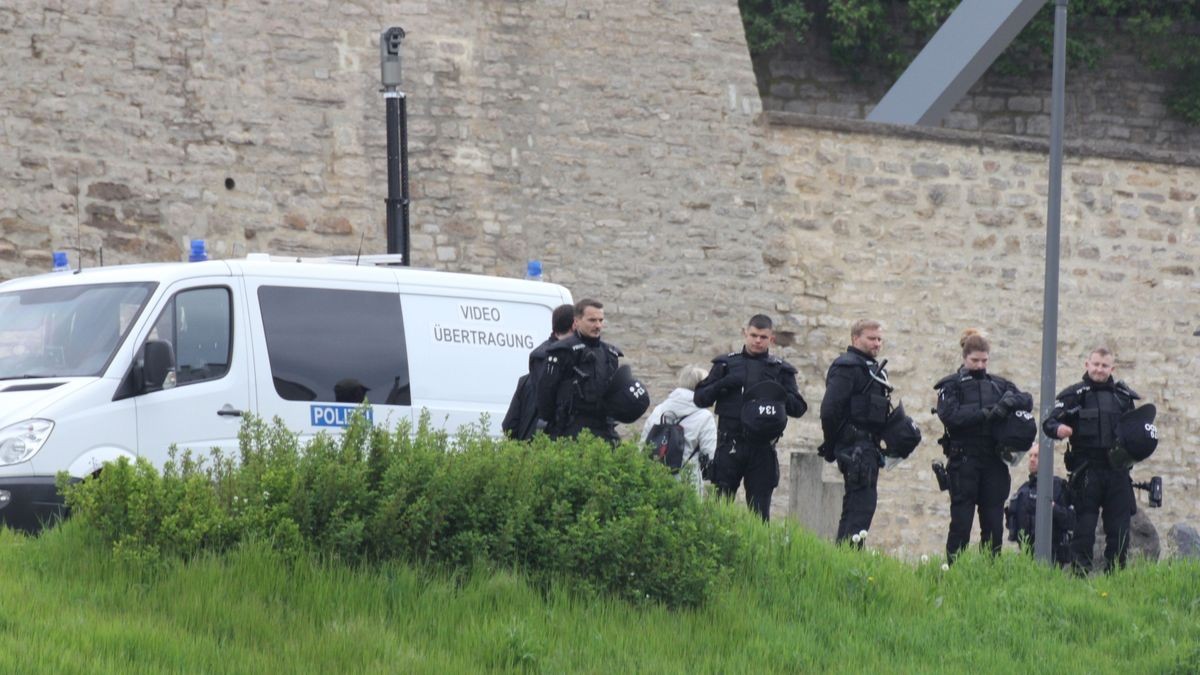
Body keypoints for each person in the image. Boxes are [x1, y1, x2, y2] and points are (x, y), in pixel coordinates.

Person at [693, 314, 807, 521]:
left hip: (763, 448)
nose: (757, 341)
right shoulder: (726, 364)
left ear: (771, 339)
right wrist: (723, 383)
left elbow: (799, 408)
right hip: (730, 445)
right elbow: (700, 399)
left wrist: (779, 392)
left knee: (759, 514)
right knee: (721, 509)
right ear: (745, 334)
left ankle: (757, 552)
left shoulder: (781, 370)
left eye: (763, 337)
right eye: (753, 335)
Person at [934, 329, 1033, 562]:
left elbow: (1026, 400)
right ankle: (953, 570)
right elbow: (951, 416)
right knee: (961, 525)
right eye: (974, 360)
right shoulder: (951, 385)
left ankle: (990, 572)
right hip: (964, 460)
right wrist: (986, 413)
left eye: (984, 360)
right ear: (964, 357)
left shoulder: (998, 385)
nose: (980, 365)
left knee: (994, 526)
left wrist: (1008, 403)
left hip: (993, 462)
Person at [1043, 346, 1140, 573]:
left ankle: (1116, 575)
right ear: (1087, 364)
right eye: (1095, 364)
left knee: (1120, 530)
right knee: (1084, 528)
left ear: (1112, 368)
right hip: (1086, 471)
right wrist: (1059, 429)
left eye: (1104, 365)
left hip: (1117, 472)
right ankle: (1080, 575)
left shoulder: (1123, 398)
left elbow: (1137, 432)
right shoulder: (1073, 395)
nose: (1099, 369)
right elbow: (1048, 423)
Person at [819, 319, 892, 546]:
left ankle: (846, 558)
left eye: (879, 339)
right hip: (855, 448)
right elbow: (829, 410)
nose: (877, 344)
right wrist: (834, 445)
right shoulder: (847, 367)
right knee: (859, 508)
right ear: (855, 338)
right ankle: (846, 558)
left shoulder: (875, 370)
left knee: (862, 507)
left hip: (869, 448)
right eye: (871, 338)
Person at [537, 299, 624, 444]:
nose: (598, 325)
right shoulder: (562, 351)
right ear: (576, 322)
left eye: (600, 320)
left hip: (602, 432)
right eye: (592, 320)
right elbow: (545, 395)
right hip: (569, 431)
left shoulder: (610, 354)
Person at [640, 364, 718, 495]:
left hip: (655, 478)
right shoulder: (704, 416)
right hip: (687, 481)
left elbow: (643, 445)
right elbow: (710, 455)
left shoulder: (659, 409)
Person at [502, 303, 575, 439]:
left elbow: (509, 426)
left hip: (530, 453)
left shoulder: (526, 380)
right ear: (574, 326)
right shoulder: (574, 373)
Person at [1005, 443, 1074, 566]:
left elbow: (1071, 520)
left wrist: (1053, 508)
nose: (1032, 459)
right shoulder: (1022, 491)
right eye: (1030, 456)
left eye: (1036, 456)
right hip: (1026, 556)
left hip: (1054, 557)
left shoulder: (1058, 487)